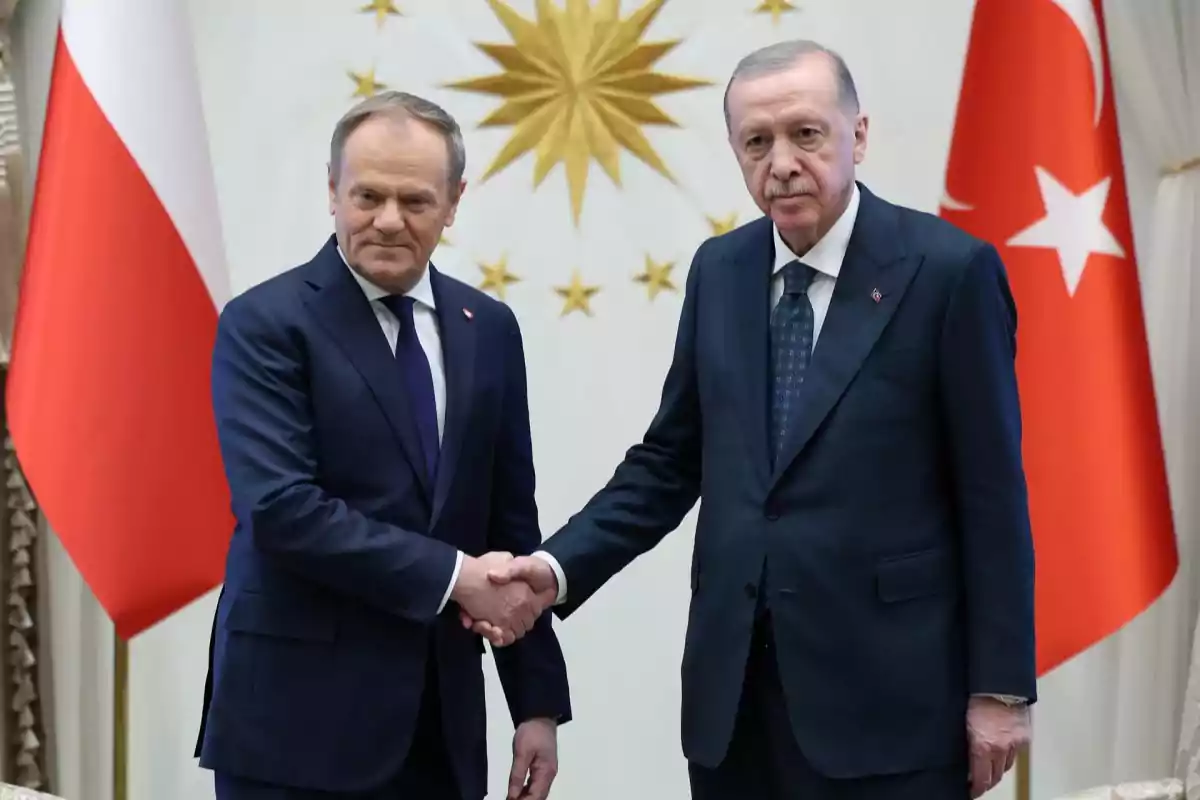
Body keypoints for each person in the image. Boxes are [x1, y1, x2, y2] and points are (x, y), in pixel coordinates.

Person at [465, 40, 1035, 800]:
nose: (783, 162)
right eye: (756, 142)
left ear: (856, 136)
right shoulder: (720, 271)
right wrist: (556, 569)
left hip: (891, 707)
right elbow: (669, 462)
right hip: (735, 707)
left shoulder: (950, 272)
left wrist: (999, 689)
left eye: (806, 134)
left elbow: (993, 495)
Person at [194, 91, 570, 800]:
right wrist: (455, 576)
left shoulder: (487, 328)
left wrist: (536, 705)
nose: (389, 221)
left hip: (439, 727)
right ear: (331, 192)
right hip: (293, 728)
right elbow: (282, 510)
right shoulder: (264, 324)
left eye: (416, 200)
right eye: (367, 195)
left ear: (454, 202)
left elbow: (509, 523)